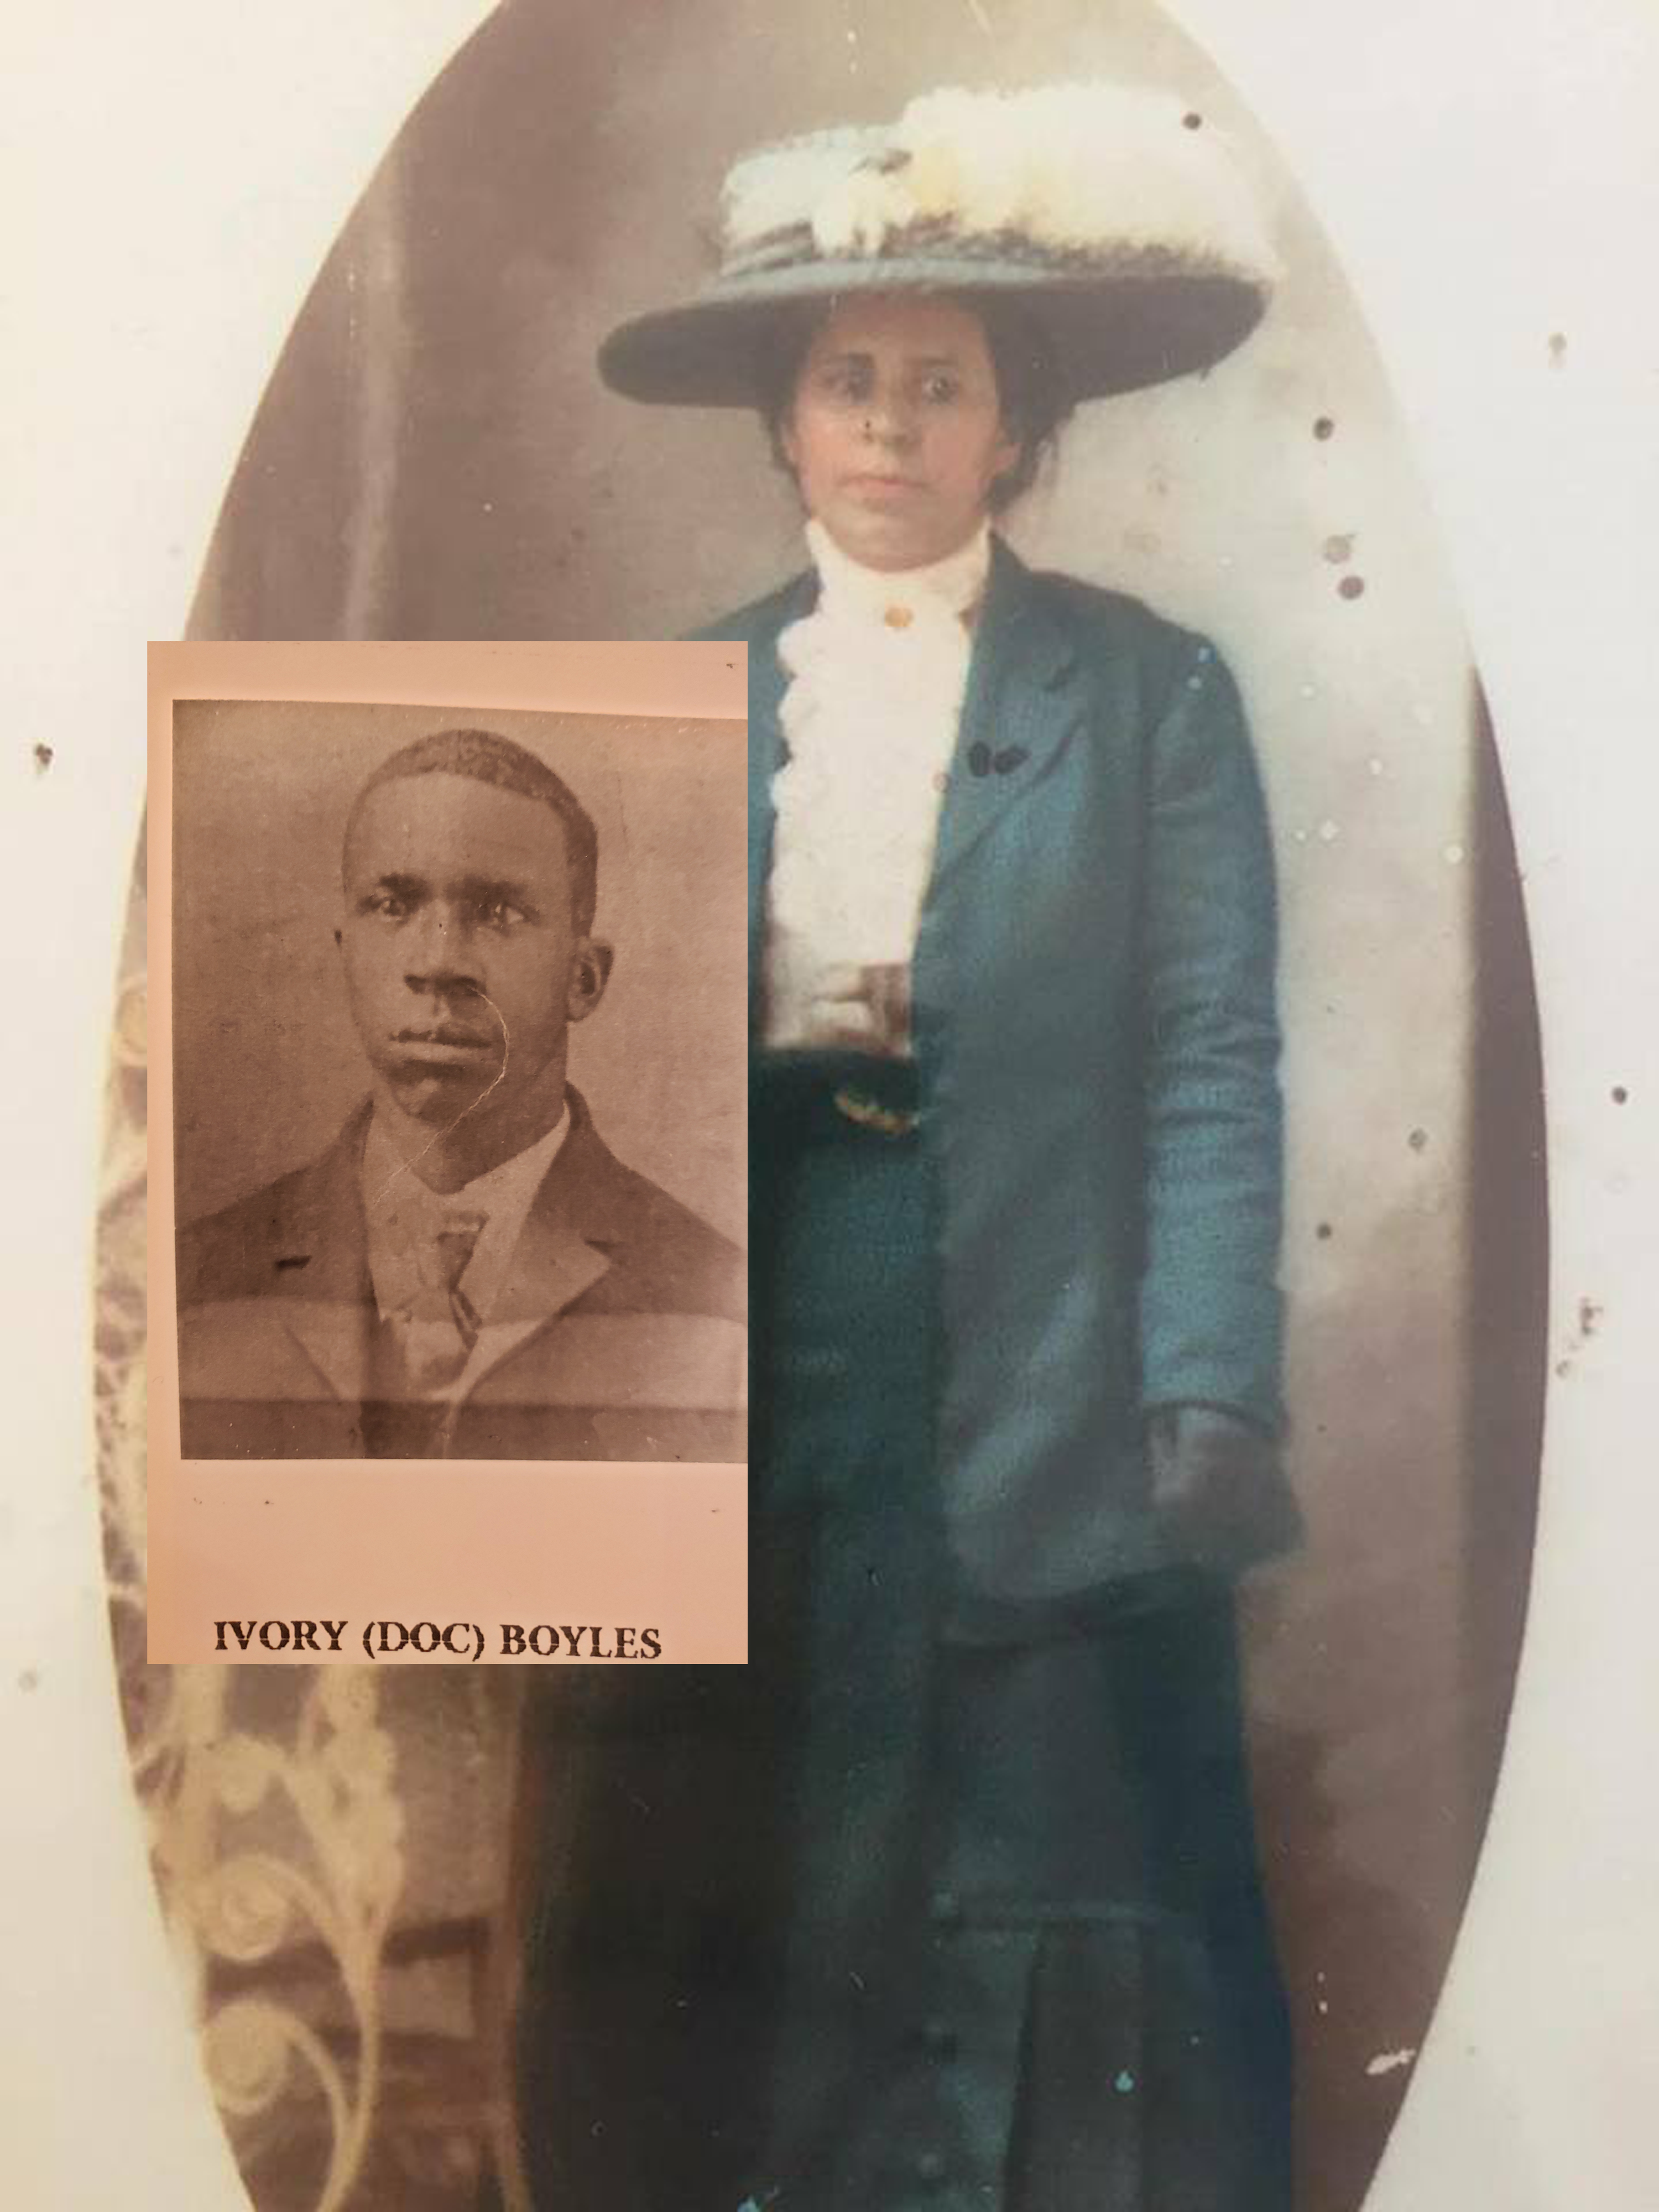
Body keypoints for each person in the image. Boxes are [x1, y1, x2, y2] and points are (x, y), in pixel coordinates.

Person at [514, 83, 1300, 2209]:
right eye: (847, 380)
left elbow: (1211, 1057)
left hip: (1032, 1331)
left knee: (999, 1830)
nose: (889, 426)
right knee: (756, 1829)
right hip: (751, 1329)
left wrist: (1202, 1384)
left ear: (1013, 428)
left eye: (940, 385)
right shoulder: (682, 702)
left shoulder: (1145, 698)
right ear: (785, 422)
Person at [174, 726, 744, 1463]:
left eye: (499, 913)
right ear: (347, 953)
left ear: (583, 978)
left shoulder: (716, 1298)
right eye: (393, 905)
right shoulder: (196, 1280)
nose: (438, 961)